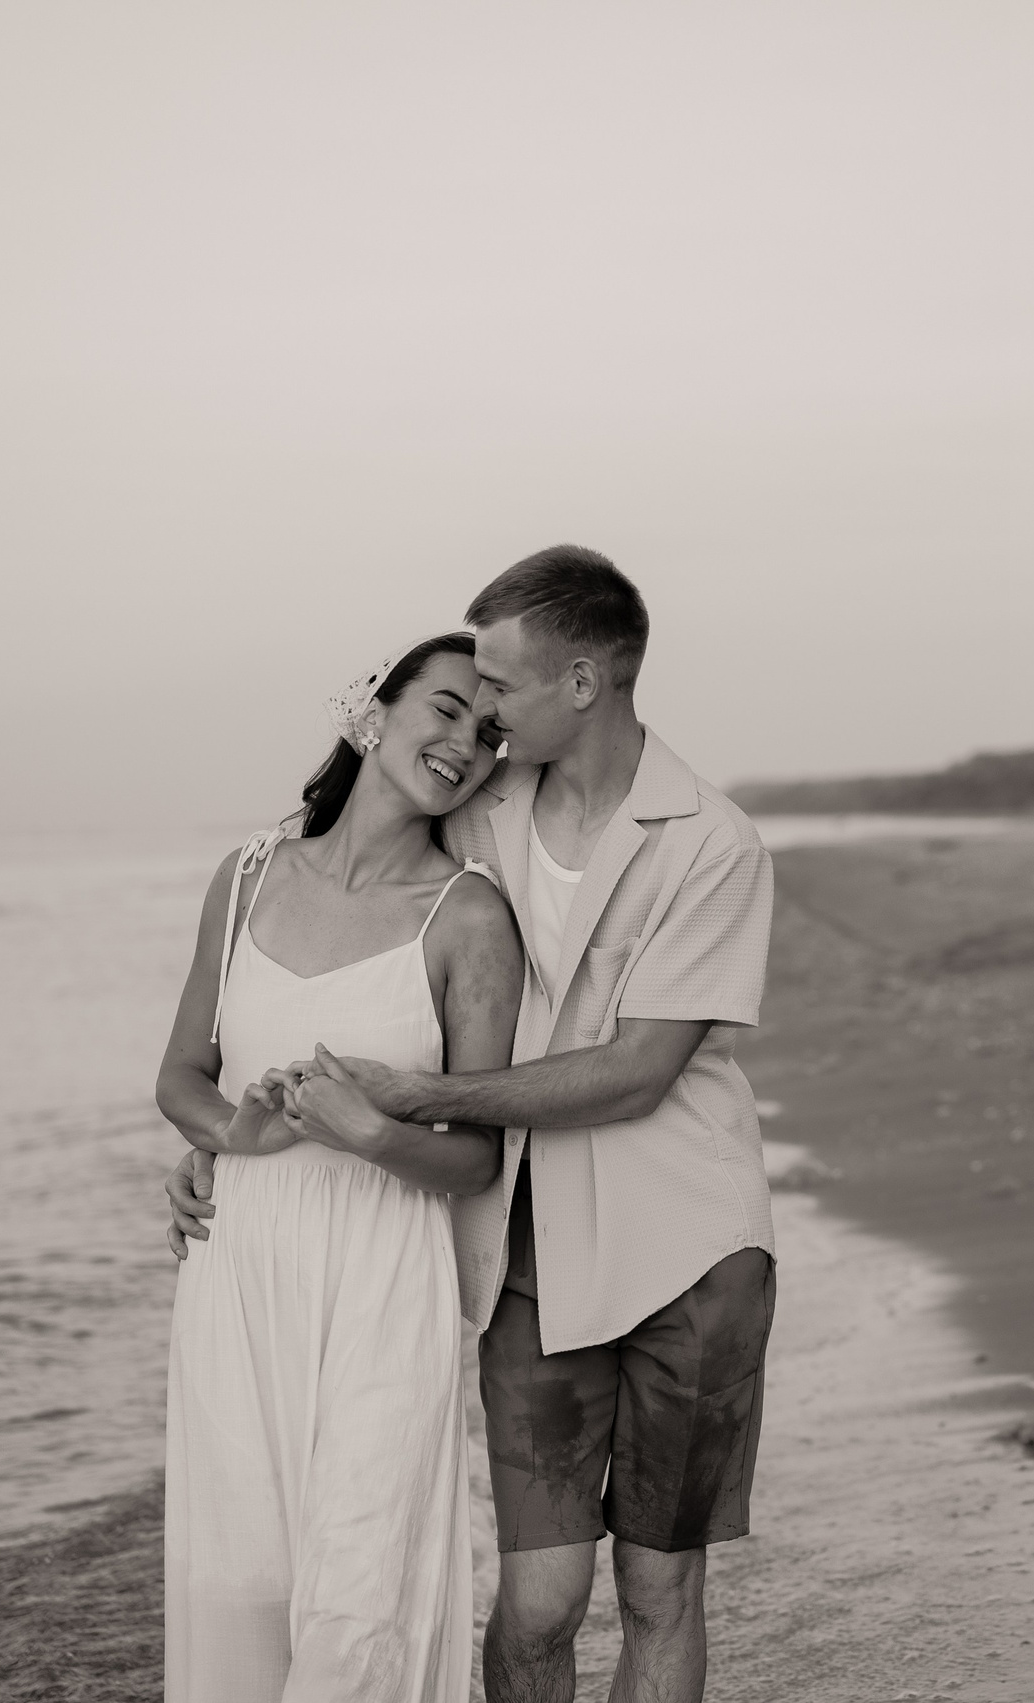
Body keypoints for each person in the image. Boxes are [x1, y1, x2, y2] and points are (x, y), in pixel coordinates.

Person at [170, 547, 777, 1703]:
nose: (483, 714)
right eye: (468, 690)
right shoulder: (479, 805)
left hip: (687, 1255)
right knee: (539, 1601)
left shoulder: (710, 842)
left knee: (660, 1587)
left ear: (584, 682)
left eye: (499, 684)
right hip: (528, 1256)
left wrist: (411, 1098)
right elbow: (328, 953)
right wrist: (222, 1137)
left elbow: (639, 1071)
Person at [153, 631, 525, 1703]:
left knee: (358, 1600)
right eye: (447, 709)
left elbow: (475, 1158)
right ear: (373, 708)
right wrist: (237, 1137)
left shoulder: (468, 919)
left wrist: (367, 1131)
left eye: (490, 731)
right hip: (239, 1272)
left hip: (381, 1278)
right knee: (243, 1585)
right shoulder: (251, 874)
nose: (466, 742)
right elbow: (183, 1072)